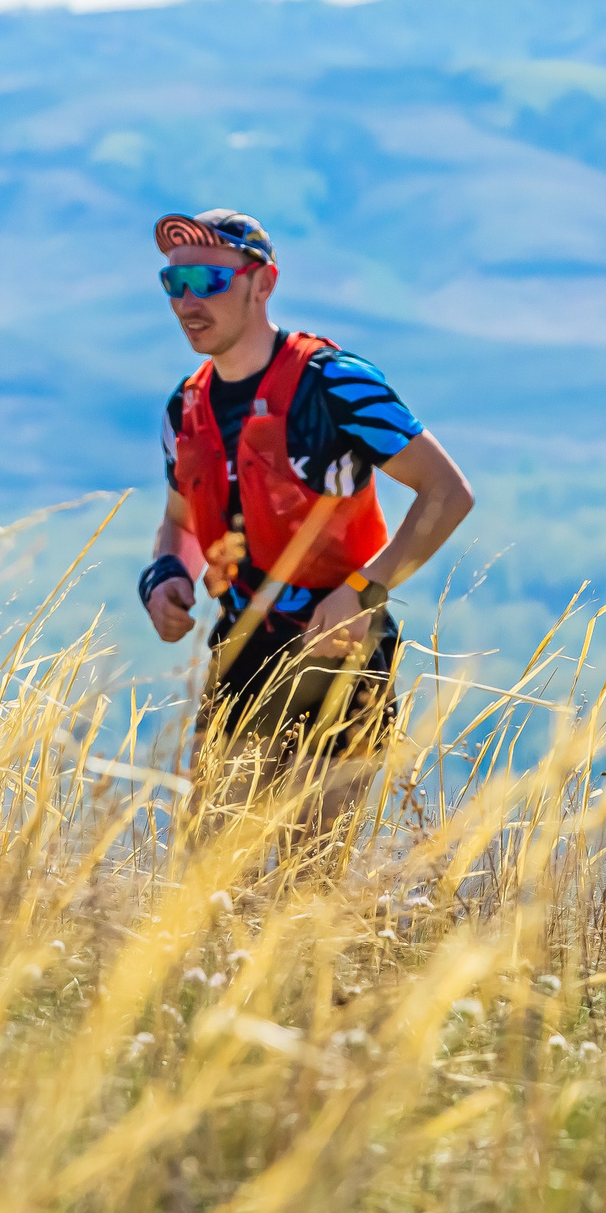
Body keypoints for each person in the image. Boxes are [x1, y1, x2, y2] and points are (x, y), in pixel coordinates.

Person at [138, 208, 475, 836]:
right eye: (173, 284)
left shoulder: (337, 384)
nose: (188, 302)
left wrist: (364, 590)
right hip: (239, 649)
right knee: (205, 867)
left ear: (262, 283)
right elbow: (180, 522)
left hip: (342, 655)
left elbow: (448, 492)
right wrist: (163, 578)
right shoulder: (186, 406)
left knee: (310, 873)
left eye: (208, 281)